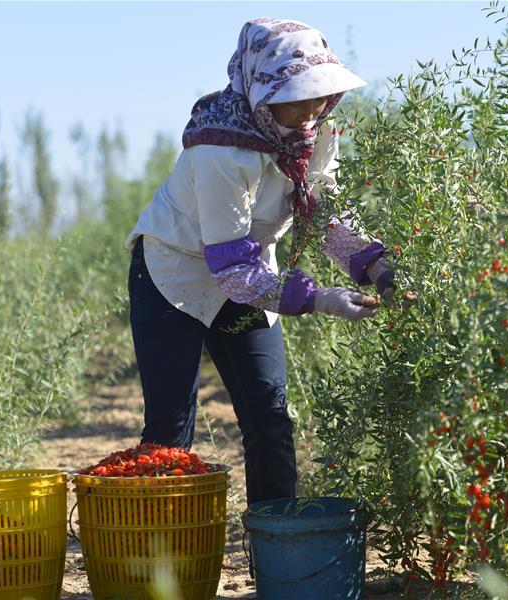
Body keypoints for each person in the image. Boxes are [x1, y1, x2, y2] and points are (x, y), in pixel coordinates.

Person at [124, 18, 397, 505]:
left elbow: (323, 205)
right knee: (170, 430)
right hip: (175, 276)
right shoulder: (221, 149)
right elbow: (230, 266)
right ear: (262, 92)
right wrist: (318, 300)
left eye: (320, 95)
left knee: (270, 418)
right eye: (298, 97)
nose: (312, 110)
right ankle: (166, 566)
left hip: (250, 274)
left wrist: (372, 263)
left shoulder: (316, 131)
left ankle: (277, 557)